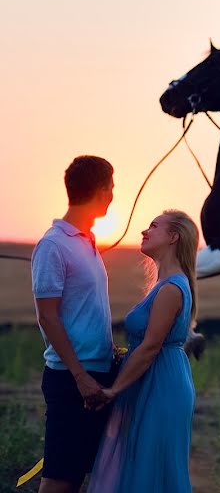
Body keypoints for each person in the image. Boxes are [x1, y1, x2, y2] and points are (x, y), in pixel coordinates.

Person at [87, 210, 198, 492]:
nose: (144, 231)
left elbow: (150, 347)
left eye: (153, 226)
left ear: (173, 237)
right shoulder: (163, 284)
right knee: (140, 462)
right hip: (154, 377)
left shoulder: (172, 288)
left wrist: (113, 391)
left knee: (151, 466)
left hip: (161, 384)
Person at [32, 155, 116, 493]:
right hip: (71, 379)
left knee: (80, 475)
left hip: (96, 375)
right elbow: (47, 317)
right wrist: (81, 377)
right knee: (59, 479)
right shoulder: (53, 245)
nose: (113, 194)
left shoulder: (86, 241)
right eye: (111, 187)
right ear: (99, 190)